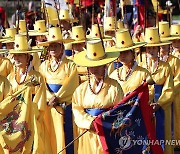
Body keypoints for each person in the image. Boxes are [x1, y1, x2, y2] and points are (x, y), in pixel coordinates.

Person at [72, 39, 124, 154]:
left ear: (105, 66)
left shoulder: (115, 87)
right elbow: (77, 109)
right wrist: (90, 122)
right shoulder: (81, 89)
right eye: (92, 66)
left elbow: (120, 110)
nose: (94, 69)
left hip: (107, 131)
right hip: (88, 132)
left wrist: (103, 123)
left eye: (98, 66)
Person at [6, 34, 52, 153]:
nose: (16, 58)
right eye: (15, 56)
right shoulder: (10, 78)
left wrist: (28, 115)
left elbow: (40, 102)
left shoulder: (37, 77)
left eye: (20, 55)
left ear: (27, 57)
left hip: (31, 120)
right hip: (14, 121)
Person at [38, 26, 79, 154]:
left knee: (66, 137)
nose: (53, 49)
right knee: (50, 136)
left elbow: (72, 84)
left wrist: (58, 97)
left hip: (64, 106)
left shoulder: (71, 65)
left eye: (56, 45)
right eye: (51, 46)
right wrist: (50, 97)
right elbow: (41, 84)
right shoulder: (44, 66)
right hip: (49, 107)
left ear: (62, 46)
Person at [139, 27, 174, 154]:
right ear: (145, 50)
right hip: (145, 105)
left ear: (159, 49)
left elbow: (169, 88)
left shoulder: (166, 67)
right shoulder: (141, 67)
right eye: (149, 48)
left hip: (162, 106)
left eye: (154, 48)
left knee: (162, 135)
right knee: (146, 136)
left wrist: (159, 104)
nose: (151, 50)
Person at [108, 29, 152, 95]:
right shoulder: (114, 75)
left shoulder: (143, 73)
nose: (123, 55)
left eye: (126, 52)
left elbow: (150, 91)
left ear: (133, 54)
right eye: (120, 53)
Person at [159, 21, 180, 145]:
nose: (163, 47)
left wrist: (170, 90)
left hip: (175, 93)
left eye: (166, 44)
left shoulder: (174, 60)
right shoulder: (156, 61)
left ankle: (176, 140)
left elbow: (177, 79)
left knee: (176, 118)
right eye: (160, 44)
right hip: (160, 95)